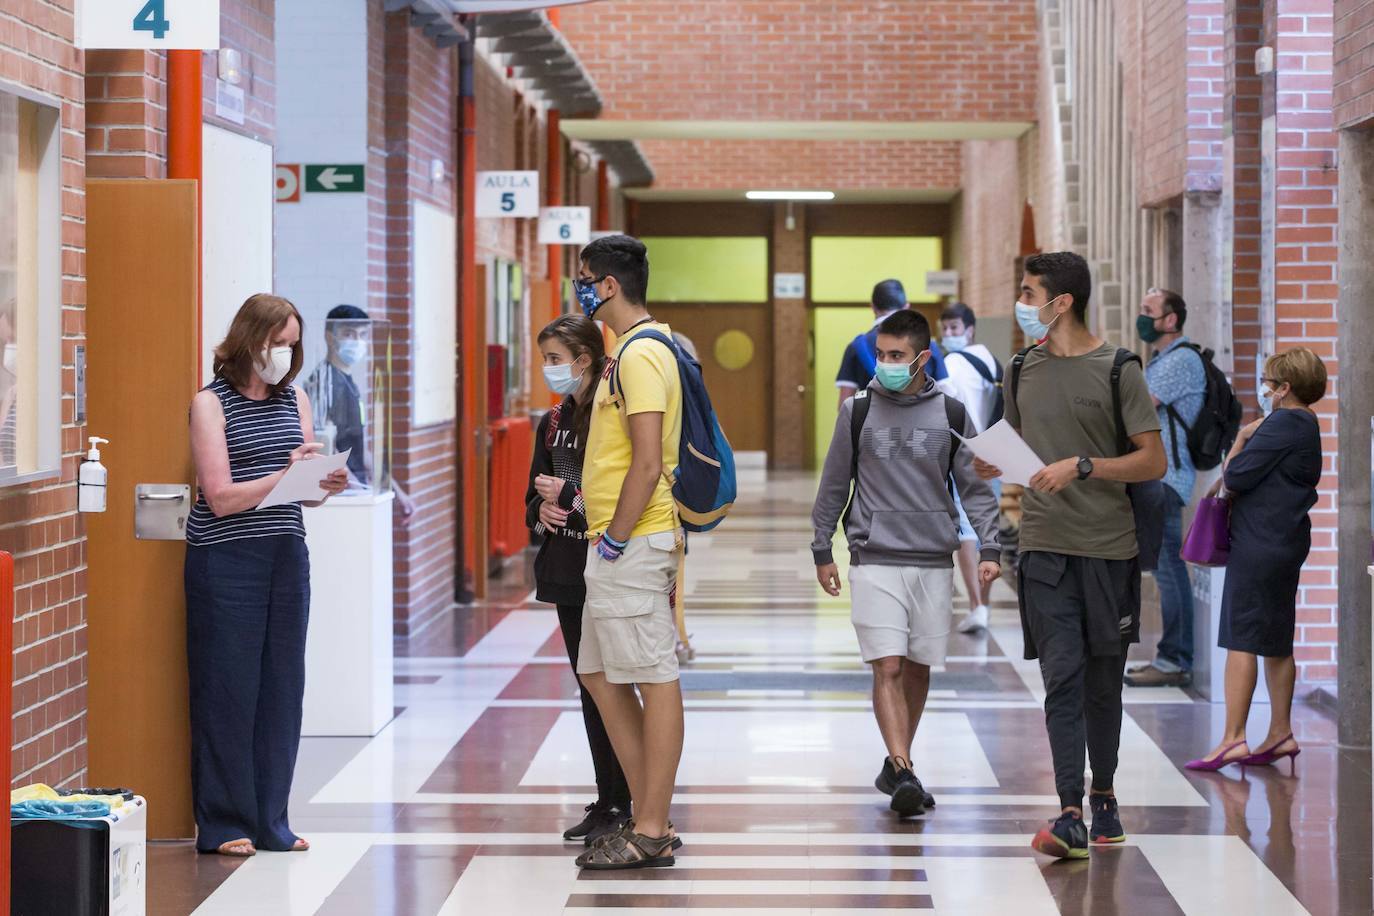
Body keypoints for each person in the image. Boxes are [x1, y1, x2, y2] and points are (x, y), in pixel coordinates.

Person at [975, 252, 1165, 860]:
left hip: (1108, 550)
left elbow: (1153, 461)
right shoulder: (1020, 368)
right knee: (1061, 676)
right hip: (1043, 549)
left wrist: (1085, 465)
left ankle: (1104, 795)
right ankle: (1068, 810)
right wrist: (991, 460)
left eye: (1029, 293)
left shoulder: (1118, 369)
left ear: (1062, 303)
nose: (1021, 303)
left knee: (1103, 681)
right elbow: (1015, 443)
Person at [812, 308, 1001, 817]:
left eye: (896, 356)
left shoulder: (953, 413)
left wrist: (992, 544)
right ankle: (901, 764)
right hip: (874, 554)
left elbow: (975, 487)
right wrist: (821, 547)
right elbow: (834, 483)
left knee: (918, 668)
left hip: (933, 557)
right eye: (880, 354)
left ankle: (901, 768)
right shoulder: (858, 411)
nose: (885, 364)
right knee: (888, 664)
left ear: (921, 358)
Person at [185, 293, 349, 857]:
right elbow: (222, 497)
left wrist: (322, 485)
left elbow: (300, 495)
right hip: (224, 561)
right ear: (247, 340)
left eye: (291, 344)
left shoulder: (294, 398)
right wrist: (285, 475)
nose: (283, 354)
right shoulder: (210, 404)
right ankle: (224, 822)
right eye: (276, 342)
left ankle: (271, 819)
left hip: (285, 554)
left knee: (282, 688)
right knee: (228, 689)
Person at [570, 235, 686, 870]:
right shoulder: (625, 352)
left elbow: (647, 460)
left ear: (608, 286)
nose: (579, 289)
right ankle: (653, 812)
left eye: (584, 279)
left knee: (653, 675)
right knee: (597, 671)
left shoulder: (642, 353)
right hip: (613, 541)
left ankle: (650, 827)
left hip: (633, 540)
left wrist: (614, 536)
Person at [1186, 348, 1326, 773]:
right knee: (1276, 639)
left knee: (1241, 636)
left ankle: (1232, 738)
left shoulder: (1284, 421)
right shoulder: (1307, 424)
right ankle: (1280, 732)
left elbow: (1237, 476)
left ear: (1285, 388)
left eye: (1268, 381)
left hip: (1260, 544)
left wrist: (1243, 439)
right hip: (1284, 541)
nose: (1263, 388)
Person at [524, 314, 632, 846]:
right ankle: (606, 796)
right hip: (566, 569)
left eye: (553, 360)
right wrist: (539, 513)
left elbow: (618, 494)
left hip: (608, 564)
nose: (547, 370)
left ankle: (632, 797)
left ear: (583, 360)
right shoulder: (552, 420)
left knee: (614, 684)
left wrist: (569, 500)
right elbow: (533, 494)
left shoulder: (611, 417)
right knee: (589, 687)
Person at [1124, 289, 1205, 687]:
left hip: (1167, 478)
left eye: (1148, 312)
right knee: (1166, 568)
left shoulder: (1181, 361)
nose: (1142, 318)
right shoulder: (1163, 360)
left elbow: (1134, 408)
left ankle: (1175, 659)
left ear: (1170, 320)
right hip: (1159, 476)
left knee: (1170, 569)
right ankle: (1173, 656)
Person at [302, 304, 416, 525]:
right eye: (348, 334)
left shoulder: (348, 382)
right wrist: (353, 488)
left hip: (355, 495)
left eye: (363, 335)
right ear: (329, 337)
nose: (357, 341)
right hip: (340, 498)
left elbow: (358, 449)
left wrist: (397, 493)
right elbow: (322, 445)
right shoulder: (324, 382)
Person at [939, 302, 1004, 633]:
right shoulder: (991, 362)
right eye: (945, 328)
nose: (949, 334)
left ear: (969, 328)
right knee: (986, 528)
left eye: (954, 328)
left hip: (964, 455)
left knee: (965, 530)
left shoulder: (949, 364)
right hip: (993, 454)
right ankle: (985, 604)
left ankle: (977, 605)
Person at [836, 279, 950, 408]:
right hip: (921, 424)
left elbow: (844, 403)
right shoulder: (928, 345)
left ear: (873, 307)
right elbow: (945, 396)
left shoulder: (856, 347)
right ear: (906, 306)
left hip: (872, 425)